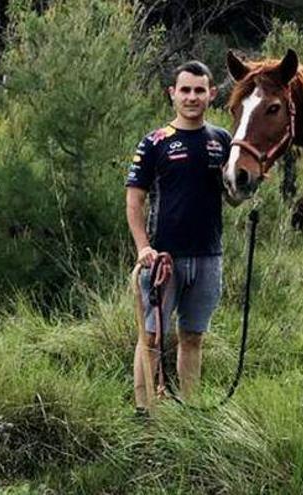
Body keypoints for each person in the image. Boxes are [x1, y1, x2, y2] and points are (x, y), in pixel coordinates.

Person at [125, 60, 232, 415]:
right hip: (162, 259)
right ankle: (145, 413)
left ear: (211, 94)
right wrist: (143, 248)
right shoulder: (154, 142)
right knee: (151, 337)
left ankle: (190, 411)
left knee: (193, 337)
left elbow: (234, 194)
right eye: (184, 90)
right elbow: (134, 199)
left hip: (208, 256)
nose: (192, 97)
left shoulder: (222, 141)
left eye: (199, 90)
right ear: (172, 94)